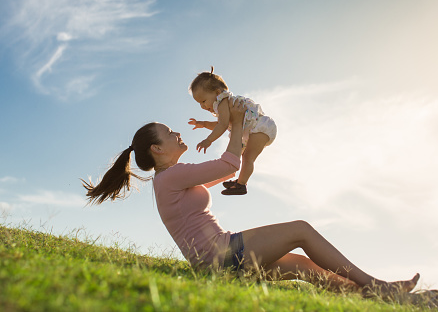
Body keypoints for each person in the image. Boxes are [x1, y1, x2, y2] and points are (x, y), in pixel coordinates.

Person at [82, 99, 419, 298]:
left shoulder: (172, 178)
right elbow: (229, 163)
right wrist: (236, 120)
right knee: (300, 229)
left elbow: (228, 170)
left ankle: (372, 295)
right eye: (170, 133)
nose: (177, 133)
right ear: (157, 149)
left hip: (220, 262)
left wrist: (243, 137)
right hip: (222, 257)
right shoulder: (172, 176)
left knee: (302, 266)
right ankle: (377, 285)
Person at [187, 66, 277, 196]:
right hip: (251, 130)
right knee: (244, 157)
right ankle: (240, 181)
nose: (203, 106)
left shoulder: (222, 101)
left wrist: (209, 140)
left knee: (248, 158)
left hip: (260, 127)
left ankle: (241, 185)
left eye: (204, 101)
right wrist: (204, 124)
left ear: (217, 93)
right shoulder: (222, 104)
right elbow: (221, 124)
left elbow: (222, 125)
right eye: (199, 104)